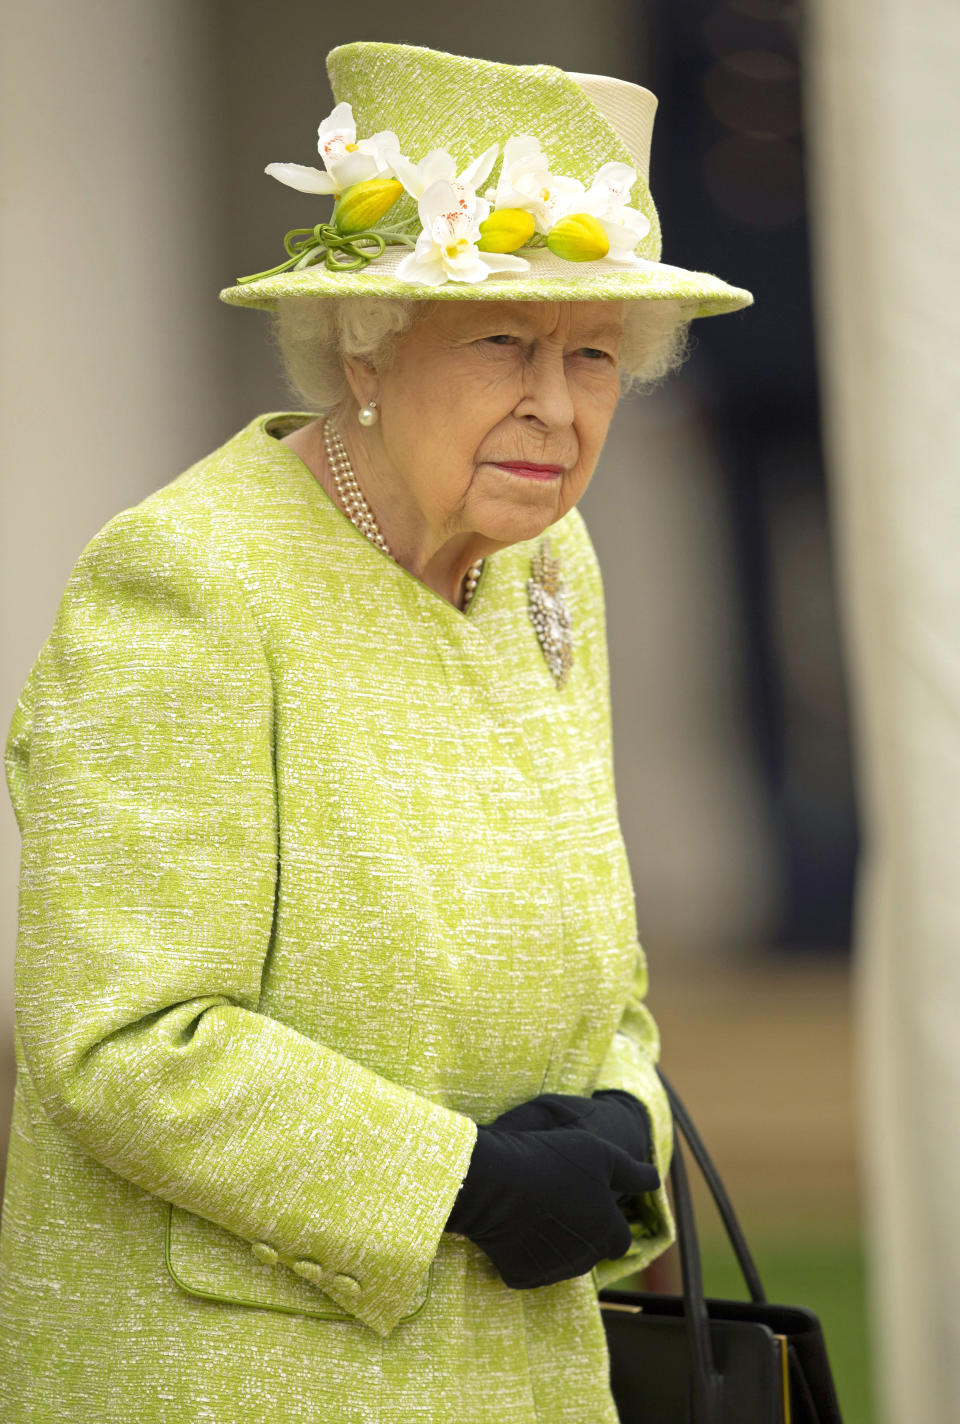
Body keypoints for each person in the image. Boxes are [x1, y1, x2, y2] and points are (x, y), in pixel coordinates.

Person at [0, 40, 752, 1424]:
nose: (557, 405)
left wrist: (623, 1125)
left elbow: (601, 956)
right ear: (366, 343)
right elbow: (120, 1038)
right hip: (237, 1377)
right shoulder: (189, 583)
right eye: (502, 342)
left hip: (517, 1363)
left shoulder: (546, 563)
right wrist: (456, 1182)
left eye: (596, 356)